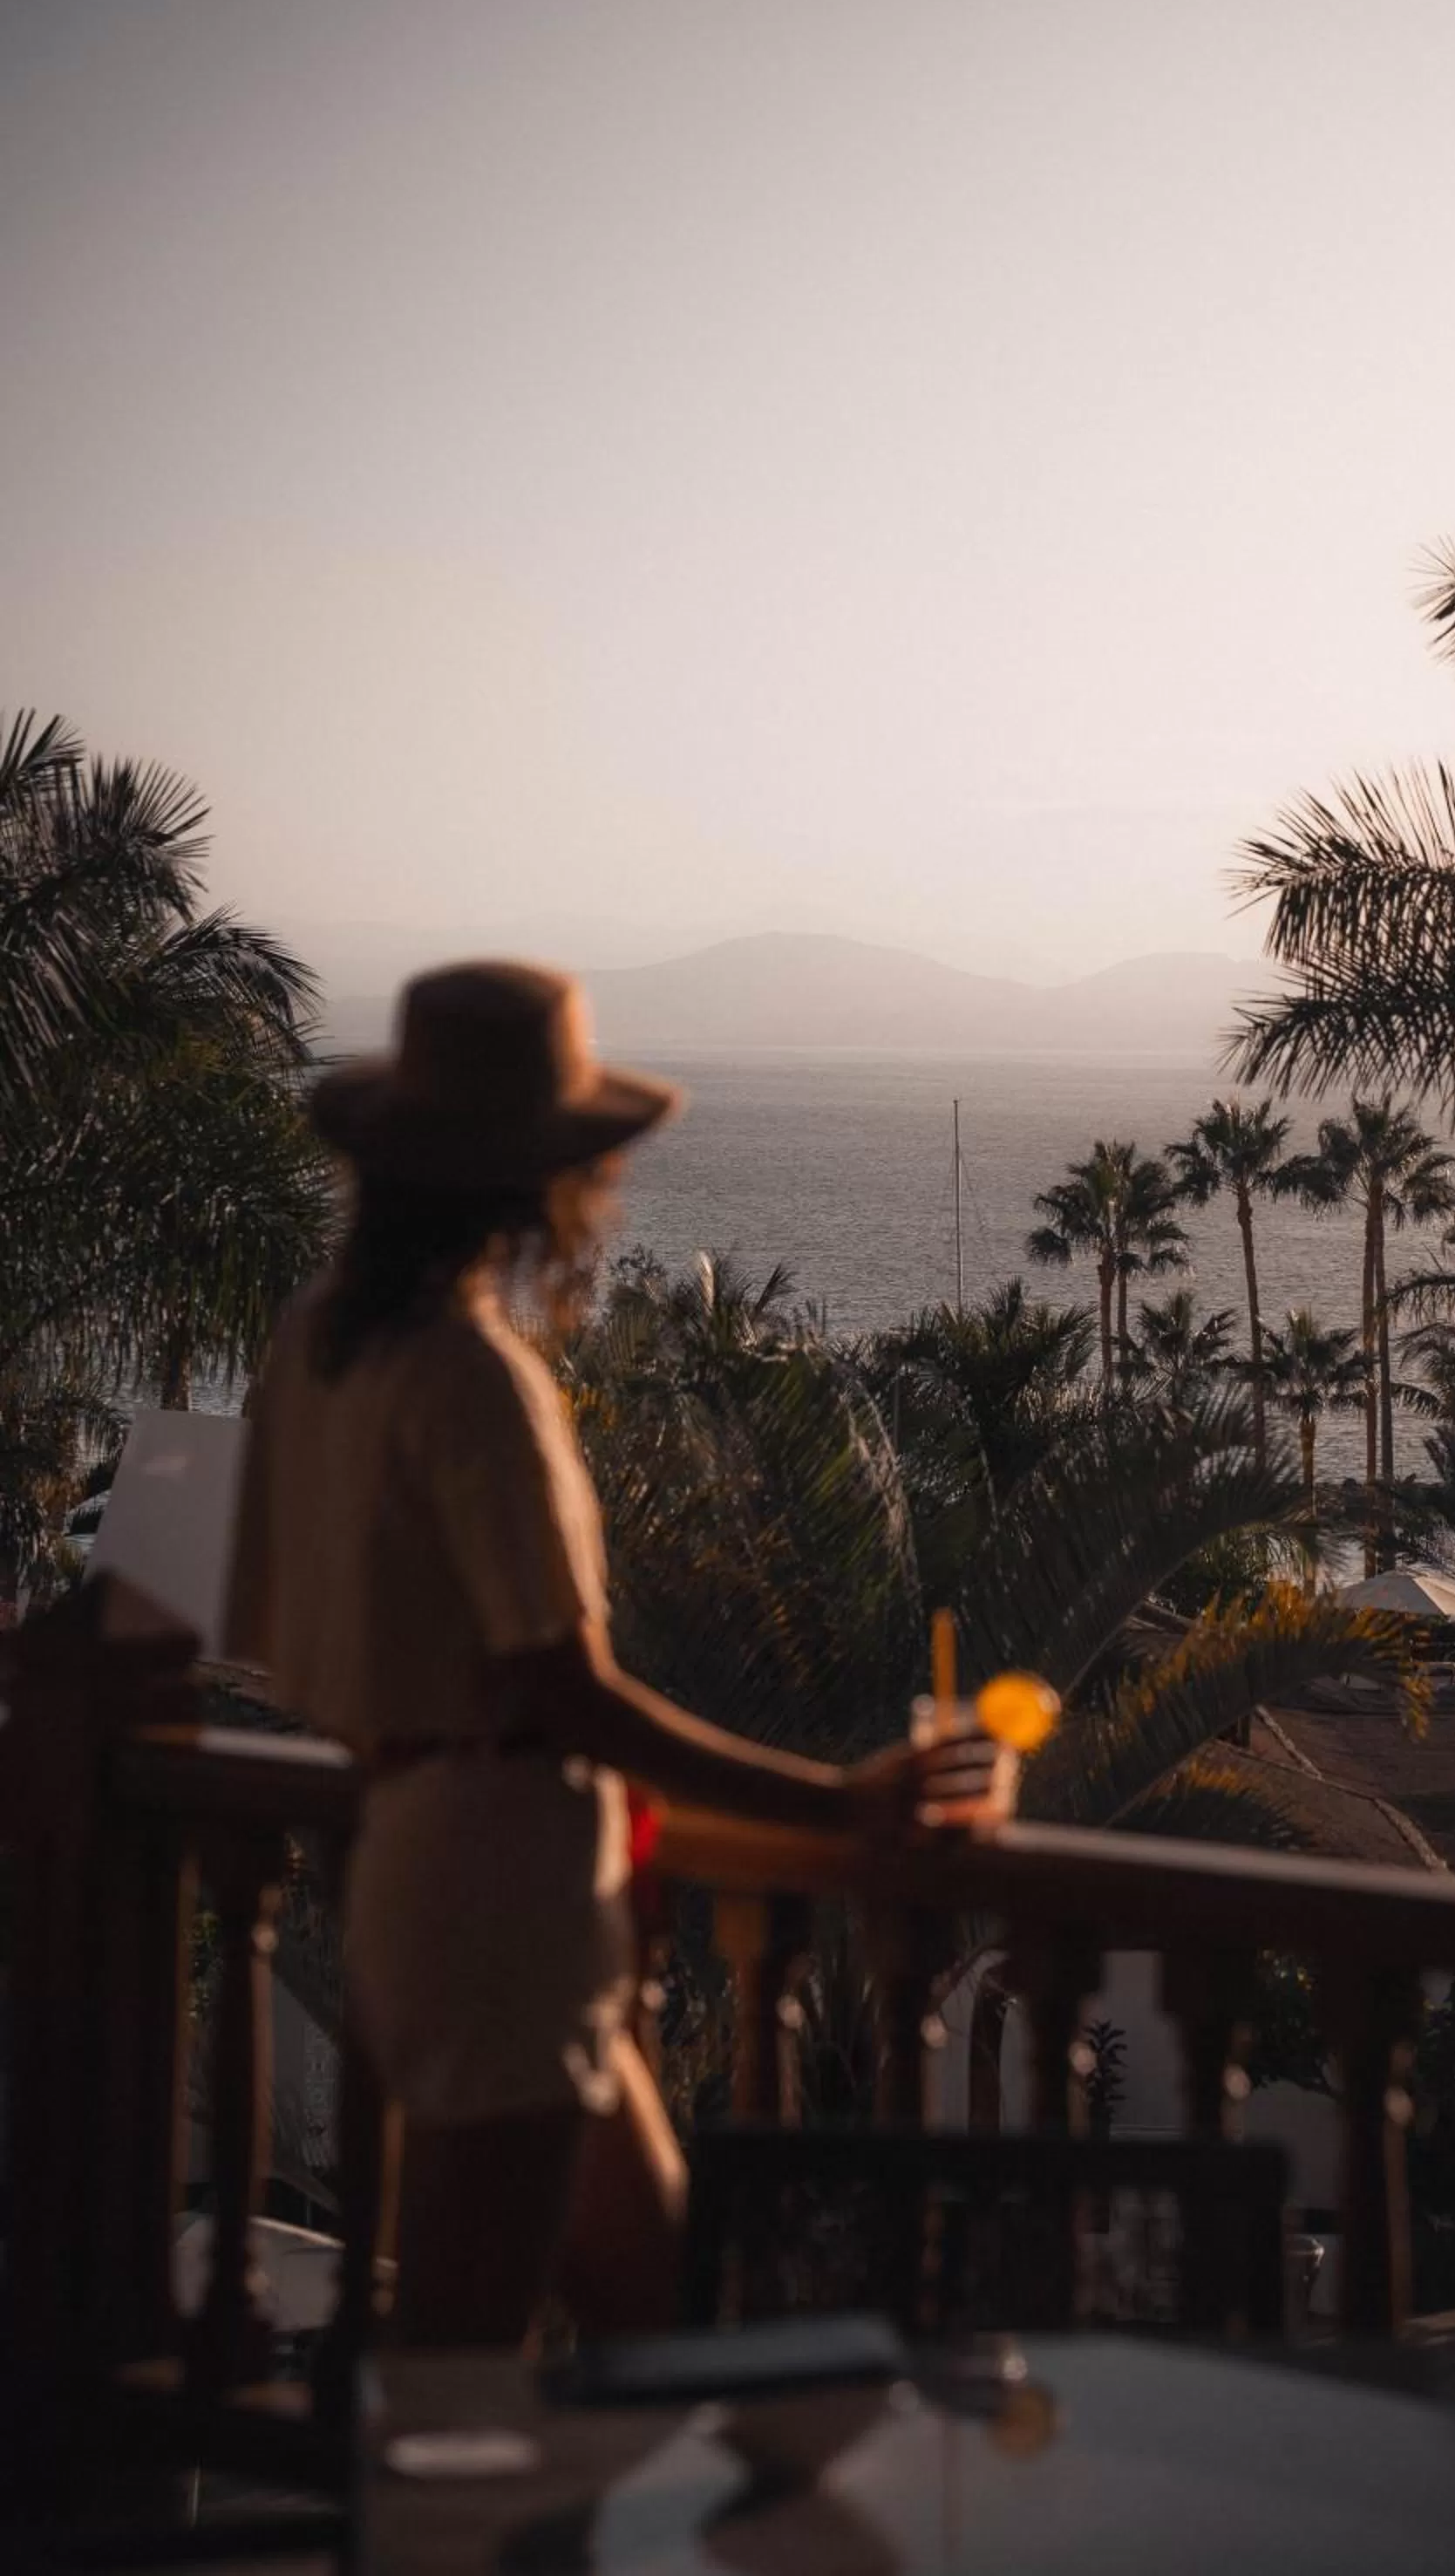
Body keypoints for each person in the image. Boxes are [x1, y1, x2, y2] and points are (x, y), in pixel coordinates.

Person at [225, 962, 996, 2348]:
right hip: (503, 1892)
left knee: (654, 2309)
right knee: (465, 2351)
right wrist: (847, 1802)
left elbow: (303, 1647)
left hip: (421, 1863)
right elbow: (558, 1691)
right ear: (538, 1178)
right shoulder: (473, 1379)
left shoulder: (314, 1350)